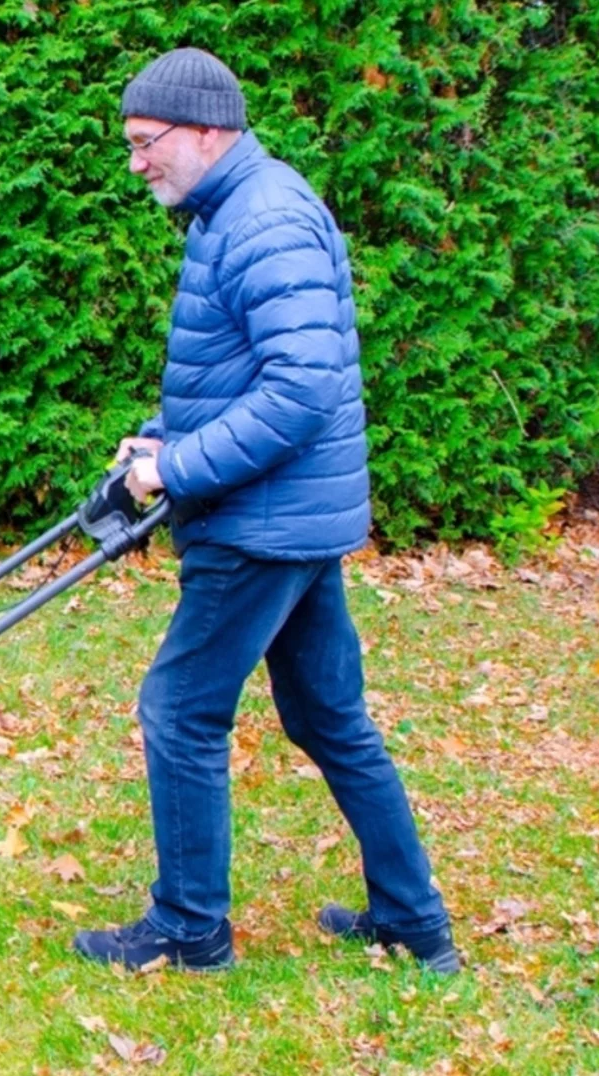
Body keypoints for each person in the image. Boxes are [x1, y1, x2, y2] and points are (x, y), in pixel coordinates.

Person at [73, 47, 459, 974]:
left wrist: (178, 470)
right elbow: (246, 374)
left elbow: (297, 394)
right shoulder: (234, 209)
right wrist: (161, 439)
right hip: (289, 515)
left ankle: (189, 928)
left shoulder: (264, 218)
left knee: (180, 708)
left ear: (204, 130)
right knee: (330, 718)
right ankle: (414, 919)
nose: (136, 163)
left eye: (145, 143)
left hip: (261, 523)